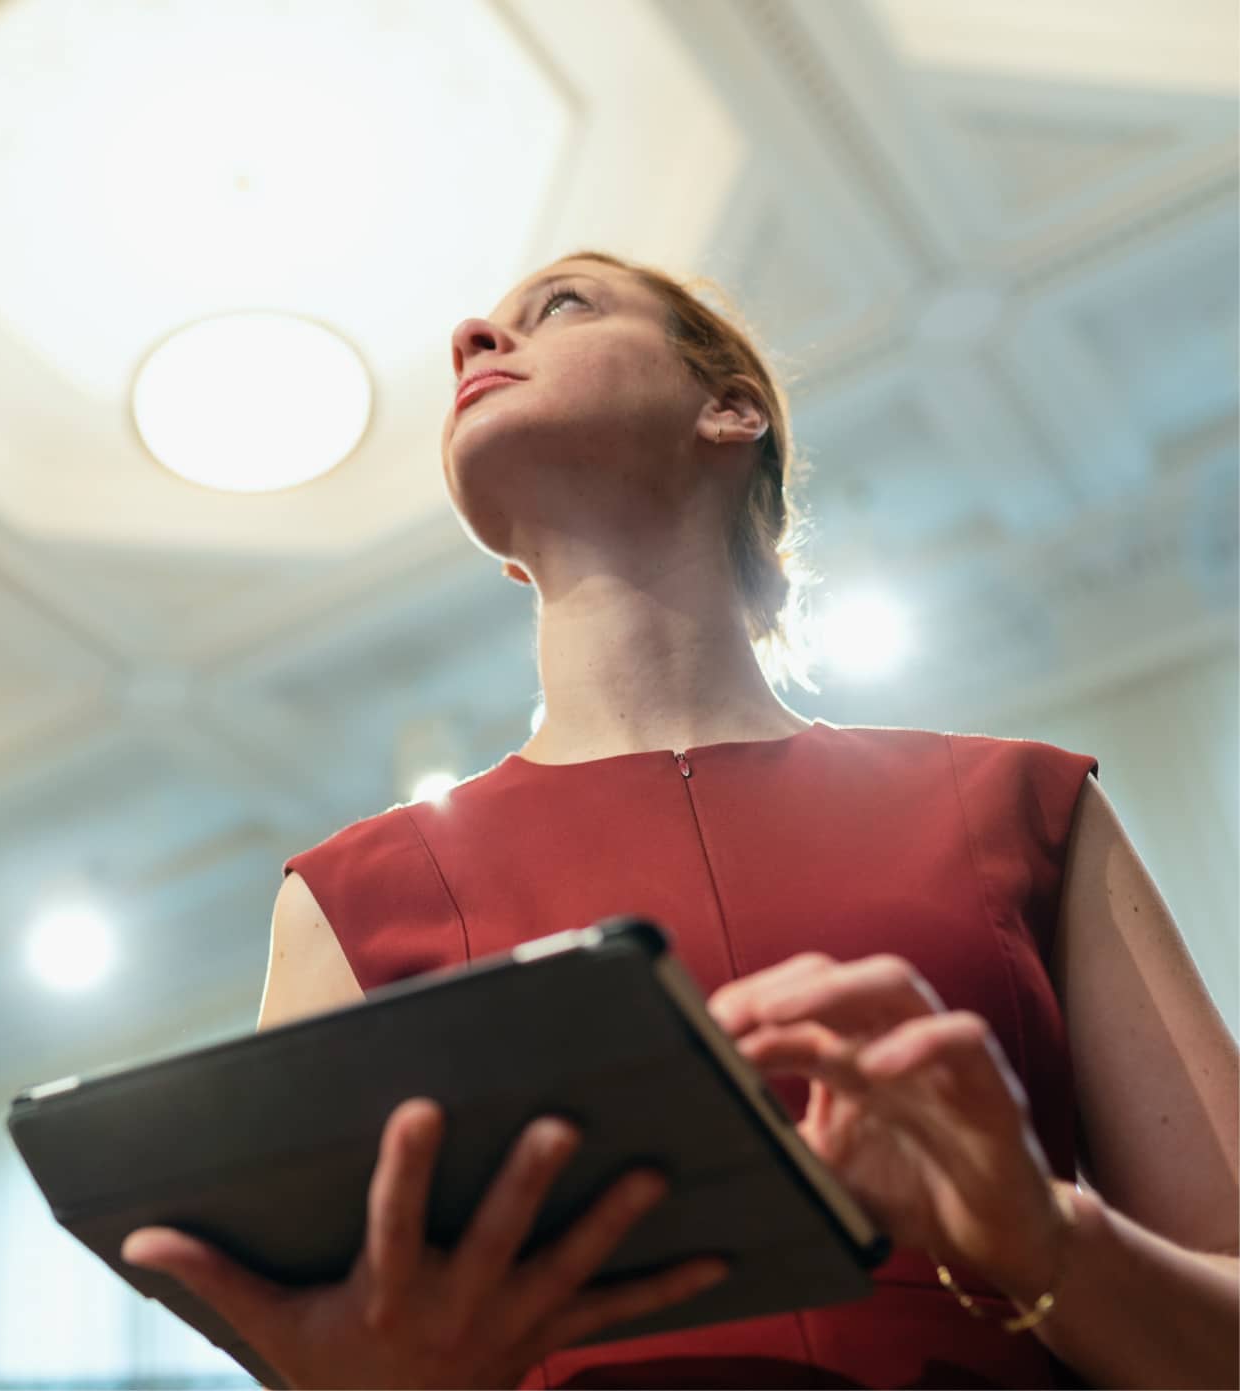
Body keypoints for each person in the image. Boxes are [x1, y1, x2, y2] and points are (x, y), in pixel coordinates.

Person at [120, 252, 1239, 1389]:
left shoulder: (1025, 807)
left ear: (729, 406)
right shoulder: (346, 899)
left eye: (558, 305)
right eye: (478, 331)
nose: (470, 337)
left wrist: (1040, 1237)